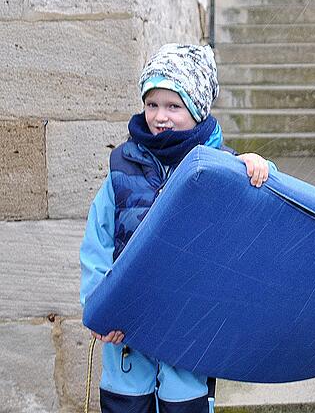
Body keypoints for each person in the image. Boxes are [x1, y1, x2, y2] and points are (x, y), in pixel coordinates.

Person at [79, 43, 272, 413]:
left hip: (190, 322)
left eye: (173, 106)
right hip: (128, 323)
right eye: (152, 104)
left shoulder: (219, 165)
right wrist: (101, 309)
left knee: (184, 402)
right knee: (126, 401)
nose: (160, 117)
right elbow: (98, 241)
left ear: (197, 110)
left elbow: (267, 200)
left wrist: (256, 164)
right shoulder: (123, 167)